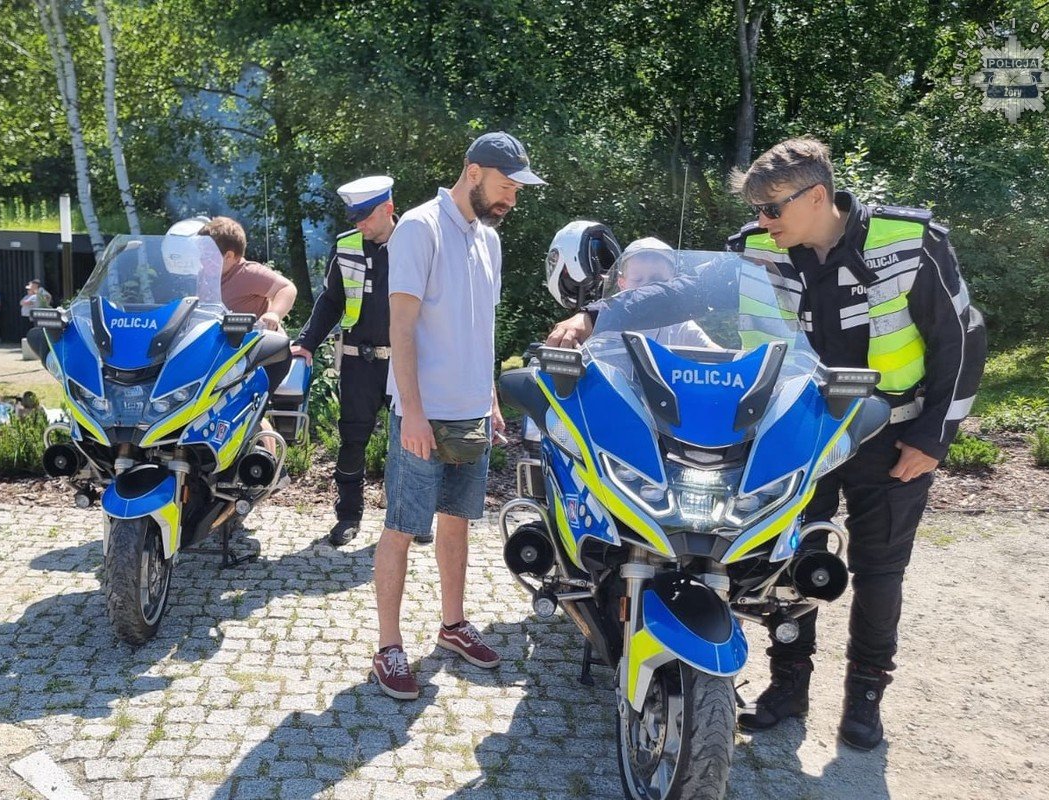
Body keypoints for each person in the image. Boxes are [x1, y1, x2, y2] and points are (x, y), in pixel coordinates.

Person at [546, 137, 986, 750]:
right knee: (780, 565)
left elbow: (963, 342)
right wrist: (593, 316)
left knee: (880, 571)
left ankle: (864, 698)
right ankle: (786, 690)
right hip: (794, 433)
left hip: (892, 437)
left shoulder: (910, 242)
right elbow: (675, 290)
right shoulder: (754, 251)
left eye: (772, 209)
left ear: (816, 197)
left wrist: (935, 438)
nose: (762, 222)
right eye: (757, 211)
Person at [371, 131, 545, 700]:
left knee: (458, 523)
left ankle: (452, 626)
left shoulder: (488, 240)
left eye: (516, 190)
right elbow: (400, 329)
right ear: (473, 172)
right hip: (424, 416)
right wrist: (413, 413)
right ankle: (389, 648)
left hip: (471, 412)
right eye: (505, 187)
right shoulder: (419, 229)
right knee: (401, 527)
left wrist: (491, 398)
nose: (511, 200)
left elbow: (482, 330)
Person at [292, 175, 404, 547]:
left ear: (387, 209)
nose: (357, 223)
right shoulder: (347, 247)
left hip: (407, 362)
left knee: (414, 443)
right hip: (360, 361)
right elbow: (330, 301)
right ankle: (348, 515)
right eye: (353, 216)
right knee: (352, 439)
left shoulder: (417, 242)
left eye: (365, 216)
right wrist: (306, 343)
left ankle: (409, 517)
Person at [199, 216, 298, 390]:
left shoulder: (248, 273)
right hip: (225, 354)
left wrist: (274, 313)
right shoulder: (204, 276)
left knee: (246, 402)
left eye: (206, 255)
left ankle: (260, 416)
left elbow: (287, 288)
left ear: (228, 256)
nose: (201, 260)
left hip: (263, 353)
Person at [610, 236, 717, 349]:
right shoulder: (607, 317)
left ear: (673, 284)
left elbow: (717, 356)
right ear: (622, 283)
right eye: (637, 279)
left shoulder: (678, 324)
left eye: (658, 281)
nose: (646, 287)